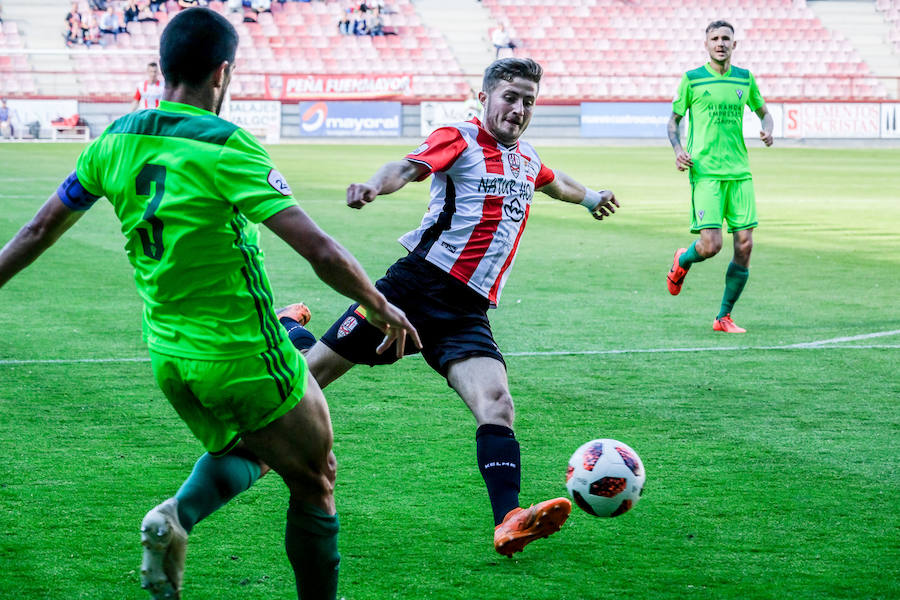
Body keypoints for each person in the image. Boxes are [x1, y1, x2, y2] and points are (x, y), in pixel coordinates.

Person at [0, 7, 419, 600]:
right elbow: (319, 250)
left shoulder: (112, 141)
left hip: (170, 357)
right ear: (222, 74)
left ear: (162, 65)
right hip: (245, 354)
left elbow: (37, 232)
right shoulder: (226, 144)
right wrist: (379, 305)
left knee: (254, 451)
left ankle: (176, 518)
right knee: (316, 478)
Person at [165, 57, 620, 561]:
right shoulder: (460, 138)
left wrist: (593, 196)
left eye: (528, 101)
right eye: (509, 97)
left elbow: (559, 184)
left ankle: (507, 521)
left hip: (467, 312)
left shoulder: (528, 160)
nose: (517, 109)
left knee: (497, 405)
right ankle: (289, 331)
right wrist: (373, 187)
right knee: (309, 378)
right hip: (413, 290)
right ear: (484, 96)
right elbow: (407, 167)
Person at [665, 20, 774, 333]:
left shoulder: (745, 78)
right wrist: (677, 150)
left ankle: (723, 317)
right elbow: (673, 121)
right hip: (707, 173)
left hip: (740, 173)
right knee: (711, 245)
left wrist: (769, 128)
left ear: (734, 45)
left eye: (726, 38)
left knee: (745, 245)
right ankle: (683, 260)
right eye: (715, 38)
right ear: (706, 44)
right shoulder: (693, 80)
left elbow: (764, 111)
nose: (721, 43)